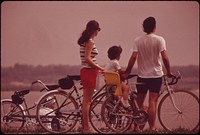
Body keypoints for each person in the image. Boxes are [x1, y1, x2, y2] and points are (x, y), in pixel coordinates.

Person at [123, 17, 173, 131]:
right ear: (154, 26)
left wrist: (127, 71)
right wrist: (169, 72)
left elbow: (133, 57)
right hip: (156, 75)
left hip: (142, 75)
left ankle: (135, 127)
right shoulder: (160, 40)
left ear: (143, 27)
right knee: (152, 102)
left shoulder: (138, 40)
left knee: (139, 102)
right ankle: (152, 127)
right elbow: (165, 57)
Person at [77, 20, 104, 133]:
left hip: (87, 71)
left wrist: (97, 66)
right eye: (98, 29)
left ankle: (85, 126)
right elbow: (88, 58)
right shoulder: (90, 42)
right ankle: (86, 128)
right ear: (95, 30)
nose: (98, 32)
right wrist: (99, 67)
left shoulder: (85, 41)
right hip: (89, 72)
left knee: (86, 101)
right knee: (87, 102)